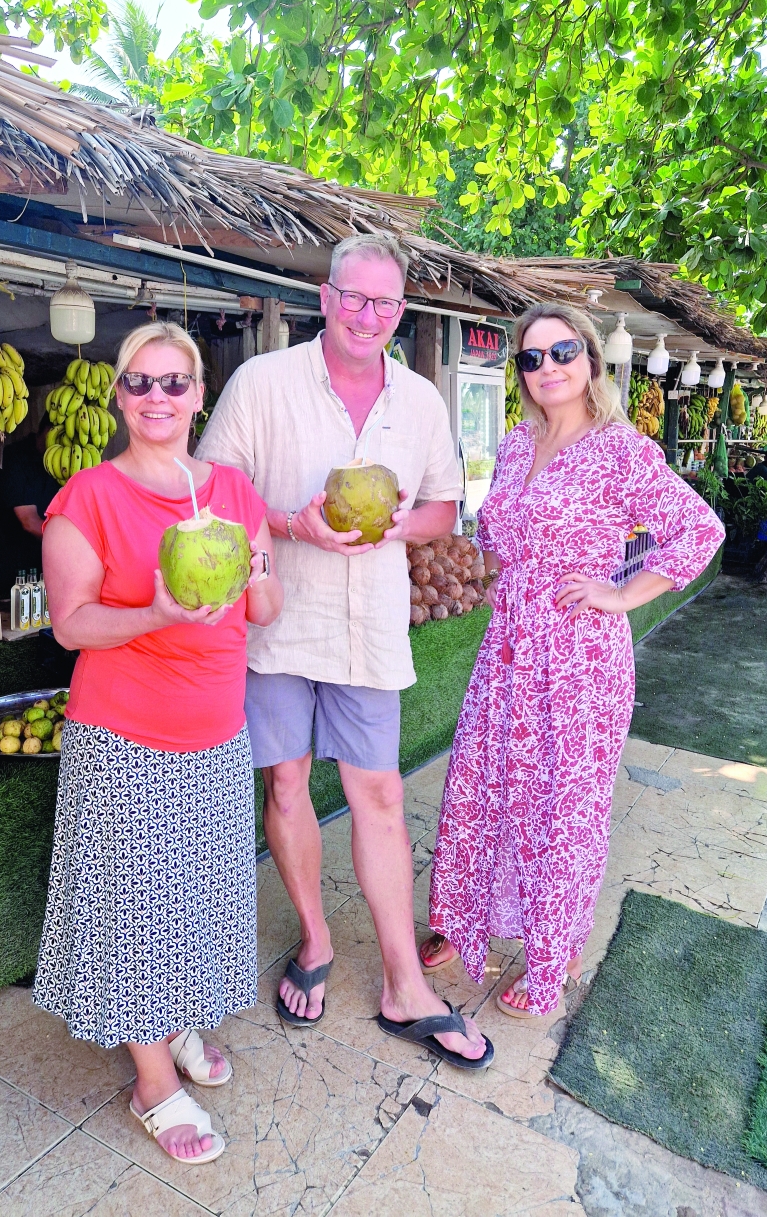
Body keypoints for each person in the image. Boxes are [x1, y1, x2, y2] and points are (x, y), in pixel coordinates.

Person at [198, 232, 492, 1071]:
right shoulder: (262, 384)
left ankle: (406, 982)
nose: (369, 316)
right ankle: (318, 940)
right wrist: (294, 524)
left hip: (371, 628)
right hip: (281, 623)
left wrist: (405, 524)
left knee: (381, 796)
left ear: (401, 313)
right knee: (287, 781)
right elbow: (216, 491)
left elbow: (444, 504)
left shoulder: (420, 400)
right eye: (354, 298)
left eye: (386, 303)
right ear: (325, 299)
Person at [422, 304, 725, 1017]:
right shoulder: (516, 441)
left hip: (579, 660)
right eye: (531, 357)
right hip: (506, 653)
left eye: (562, 352)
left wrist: (621, 594)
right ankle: (469, 918)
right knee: (485, 786)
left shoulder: (620, 448)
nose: (548, 367)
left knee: (563, 812)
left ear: (589, 359)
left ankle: (552, 955)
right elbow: (496, 539)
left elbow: (698, 527)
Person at [35, 321, 282, 1166]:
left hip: (216, 730)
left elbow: (266, 607)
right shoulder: (89, 497)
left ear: (199, 395)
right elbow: (72, 624)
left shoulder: (235, 495)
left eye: (175, 382)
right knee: (136, 906)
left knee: (192, 896)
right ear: (119, 394)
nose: (157, 398)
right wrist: (159, 613)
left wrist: (254, 575)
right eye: (139, 382)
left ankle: (172, 1024)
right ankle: (150, 1080)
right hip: (125, 734)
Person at [0, 414, 59, 602]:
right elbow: (29, 521)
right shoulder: (13, 459)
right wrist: (68, 544)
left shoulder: (58, 465)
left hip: (37, 579)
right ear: (45, 430)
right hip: (4, 579)